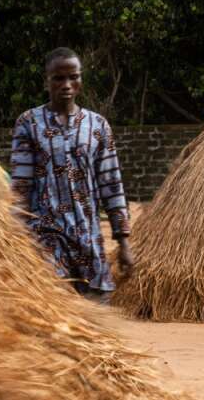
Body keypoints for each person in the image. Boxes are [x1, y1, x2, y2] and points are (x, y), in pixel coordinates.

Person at [10, 47, 133, 296]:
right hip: (45, 237)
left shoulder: (97, 126)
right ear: (46, 81)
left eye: (73, 77)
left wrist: (123, 244)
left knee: (94, 306)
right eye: (58, 78)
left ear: (81, 79)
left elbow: (111, 183)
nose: (66, 85)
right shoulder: (29, 123)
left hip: (89, 239)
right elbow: (21, 186)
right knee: (53, 303)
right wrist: (15, 239)